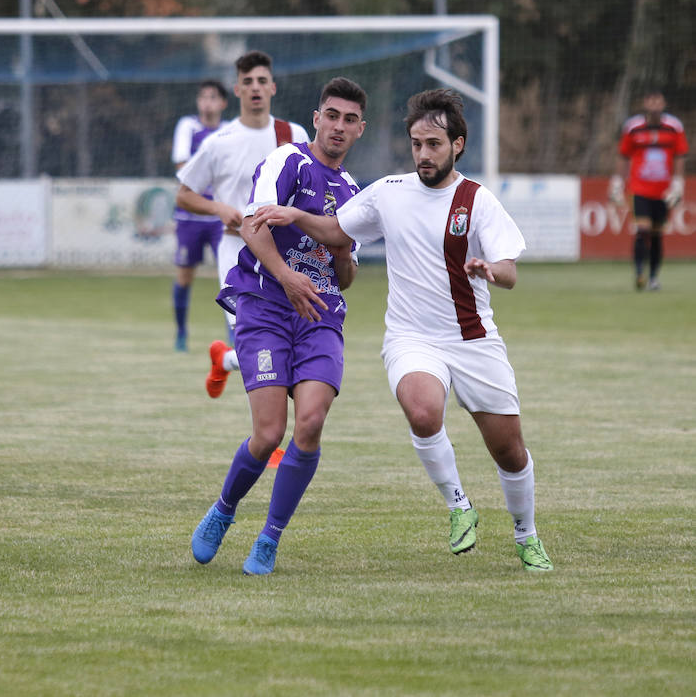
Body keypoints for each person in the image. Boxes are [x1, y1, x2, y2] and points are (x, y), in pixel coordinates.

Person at [252, 87, 553, 572]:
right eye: (416, 144)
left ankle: (526, 534)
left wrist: (491, 270)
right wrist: (295, 215)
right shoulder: (389, 193)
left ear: (457, 144)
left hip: (473, 339)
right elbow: (336, 231)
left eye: (434, 144)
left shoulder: (477, 200)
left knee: (508, 450)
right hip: (412, 338)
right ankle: (460, 507)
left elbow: (510, 270)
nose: (423, 154)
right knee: (421, 410)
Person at [190, 77, 367, 575]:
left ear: (360, 130)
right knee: (269, 433)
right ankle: (224, 510)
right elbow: (253, 225)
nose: (338, 126)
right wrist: (288, 278)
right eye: (331, 115)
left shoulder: (355, 193)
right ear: (316, 117)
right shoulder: (287, 161)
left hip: (320, 315)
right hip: (265, 302)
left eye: (349, 120)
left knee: (309, 424)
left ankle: (269, 538)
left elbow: (348, 277)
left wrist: (341, 252)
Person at [176, 50, 309, 397]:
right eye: (247, 82)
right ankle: (270, 445)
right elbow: (184, 195)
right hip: (238, 252)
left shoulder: (292, 134)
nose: (255, 88)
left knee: (290, 348)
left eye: (261, 81)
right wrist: (219, 208)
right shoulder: (218, 143)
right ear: (236, 90)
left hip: (287, 253)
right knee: (257, 347)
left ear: (273, 88)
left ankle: (224, 361)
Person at [609, 89, 688, 291]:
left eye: (657, 101)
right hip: (639, 189)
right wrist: (618, 182)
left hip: (663, 191)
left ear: (663, 104)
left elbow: (679, 155)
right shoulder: (633, 127)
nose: (654, 105)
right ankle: (639, 274)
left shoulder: (674, 127)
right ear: (645, 103)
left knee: (656, 235)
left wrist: (678, 184)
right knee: (642, 230)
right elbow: (623, 155)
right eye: (650, 101)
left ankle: (653, 277)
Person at [170, 80, 229, 351]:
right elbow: (182, 166)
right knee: (184, 276)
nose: (207, 102)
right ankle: (181, 333)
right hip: (189, 215)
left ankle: (235, 333)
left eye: (213, 97)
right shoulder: (188, 126)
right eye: (203, 97)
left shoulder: (230, 131)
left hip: (220, 218)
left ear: (223, 103)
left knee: (230, 277)